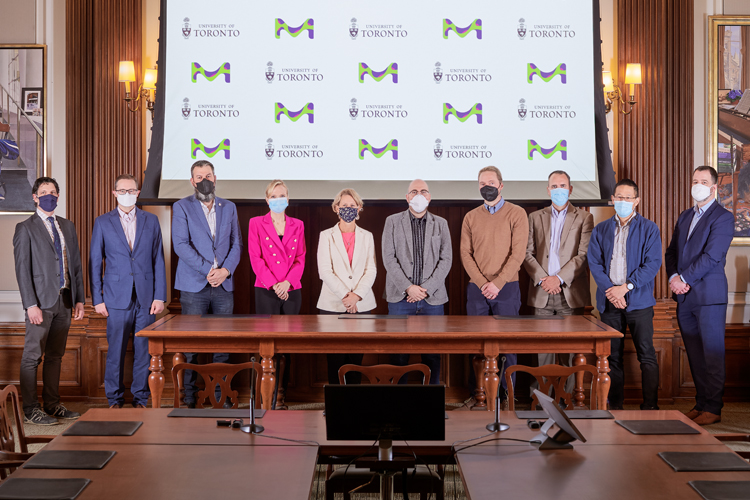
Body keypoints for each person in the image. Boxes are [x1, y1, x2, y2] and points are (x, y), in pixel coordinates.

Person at [90, 174, 167, 409]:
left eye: (131, 190)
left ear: (137, 192)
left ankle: (141, 399)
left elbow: (158, 260)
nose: (127, 194)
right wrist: (97, 299)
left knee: (145, 352)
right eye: (122, 191)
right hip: (114, 298)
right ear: (114, 194)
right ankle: (114, 399)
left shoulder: (151, 221)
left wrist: (160, 295)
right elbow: (95, 262)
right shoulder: (103, 222)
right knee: (116, 352)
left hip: (146, 298)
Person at [665, 166, 734, 425]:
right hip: (685, 298)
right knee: (695, 354)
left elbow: (712, 256)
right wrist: (673, 277)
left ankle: (714, 409)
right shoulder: (685, 216)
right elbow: (671, 252)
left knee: (712, 354)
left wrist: (683, 279)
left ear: (714, 187)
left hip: (709, 296)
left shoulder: (723, 217)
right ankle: (702, 403)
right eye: (695, 180)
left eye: (703, 181)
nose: (698, 185)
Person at [13, 177, 84, 425]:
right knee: (33, 356)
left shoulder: (68, 226)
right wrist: (30, 304)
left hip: (65, 301)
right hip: (40, 304)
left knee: (55, 356)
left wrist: (79, 300)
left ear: (58, 195)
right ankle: (31, 409)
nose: (49, 195)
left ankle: (52, 405)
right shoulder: (25, 227)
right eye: (44, 192)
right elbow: (22, 270)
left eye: (53, 192)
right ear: (35, 197)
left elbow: (75, 266)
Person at [587, 178, 662, 410]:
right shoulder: (600, 229)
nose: (623, 201)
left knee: (646, 355)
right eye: (619, 197)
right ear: (612, 200)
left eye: (628, 198)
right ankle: (616, 406)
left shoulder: (650, 228)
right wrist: (612, 291)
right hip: (609, 304)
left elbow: (652, 264)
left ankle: (650, 407)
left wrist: (626, 287)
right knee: (612, 357)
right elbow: (595, 263)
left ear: (636, 201)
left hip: (639, 302)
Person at [172, 160, 242, 408]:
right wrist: (209, 270)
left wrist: (225, 271)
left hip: (223, 286)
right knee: (191, 346)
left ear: (215, 178)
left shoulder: (229, 207)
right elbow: (180, 245)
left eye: (208, 175)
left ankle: (220, 397)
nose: (204, 180)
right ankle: (190, 398)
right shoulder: (181, 207)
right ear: (192, 181)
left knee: (222, 345)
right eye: (199, 176)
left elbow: (237, 244)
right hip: (194, 286)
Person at [460, 166, 528, 404]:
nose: (485, 186)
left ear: (501, 185)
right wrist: (482, 283)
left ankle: (506, 397)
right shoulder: (470, 217)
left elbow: (518, 254)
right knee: (476, 346)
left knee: (507, 347)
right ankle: (479, 397)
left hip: (507, 288)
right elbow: (465, 255)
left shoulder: (517, 213)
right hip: (477, 290)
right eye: (481, 183)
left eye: (490, 182)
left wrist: (497, 283)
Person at [524, 170, 594, 397]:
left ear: (570, 189)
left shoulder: (584, 217)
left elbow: (583, 255)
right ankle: (541, 398)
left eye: (563, 186)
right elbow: (527, 253)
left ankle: (567, 398)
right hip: (542, 291)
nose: (559, 190)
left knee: (569, 351)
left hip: (570, 292)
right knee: (542, 350)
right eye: (554, 186)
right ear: (548, 190)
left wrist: (559, 279)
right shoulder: (535, 217)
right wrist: (545, 280)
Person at [383, 179, 452, 385]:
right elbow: (389, 258)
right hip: (400, 298)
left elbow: (446, 259)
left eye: (423, 191)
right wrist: (409, 287)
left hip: (433, 299)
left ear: (429, 197)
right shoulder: (392, 221)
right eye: (414, 191)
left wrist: (426, 289)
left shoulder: (441, 224)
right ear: (407, 197)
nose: (419, 195)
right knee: (398, 355)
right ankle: (398, 407)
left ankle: (430, 405)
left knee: (432, 355)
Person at [248, 180, 306, 408]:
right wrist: (275, 284)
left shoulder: (298, 224)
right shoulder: (256, 223)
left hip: (292, 290)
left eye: (282, 195)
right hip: (266, 290)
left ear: (288, 199)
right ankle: (266, 398)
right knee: (267, 347)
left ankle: (281, 396)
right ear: (267, 199)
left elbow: (300, 258)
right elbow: (256, 259)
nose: (278, 199)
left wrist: (287, 283)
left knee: (287, 347)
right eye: (274, 196)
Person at [317, 188, 377, 385]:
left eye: (352, 206)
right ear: (336, 208)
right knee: (334, 358)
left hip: (361, 306)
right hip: (332, 306)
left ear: (359, 208)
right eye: (344, 206)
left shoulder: (367, 236)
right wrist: (346, 295)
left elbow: (371, 270)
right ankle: (335, 406)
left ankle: (354, 407)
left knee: (355, 359)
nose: (348, 209)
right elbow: (325, 271)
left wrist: (356, 296)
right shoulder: (326, 235)